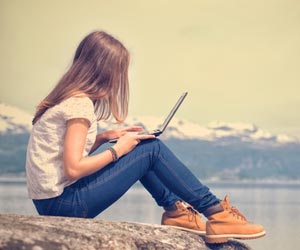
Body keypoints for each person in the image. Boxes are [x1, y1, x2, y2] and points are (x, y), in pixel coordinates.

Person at [26, 30, 265, 244]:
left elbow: (61, 158)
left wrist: (104, 137)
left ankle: (176, 212)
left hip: (53, 203)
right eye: (119, 72)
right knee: (152, 150)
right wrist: (118, 149)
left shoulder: (66, 100)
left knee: (143, 146)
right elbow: (73, 169)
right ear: (105, 72)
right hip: (65, 206)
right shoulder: (79, 105)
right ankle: (217, 214)